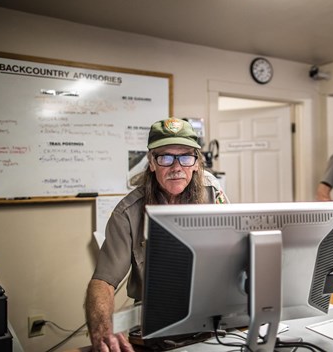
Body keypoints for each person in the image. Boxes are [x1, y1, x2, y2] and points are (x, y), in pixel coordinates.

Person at [85, 118, 229, 351]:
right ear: (152, 162)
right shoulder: (127, 213)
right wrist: (103, 331)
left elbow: (235, 254)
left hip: (213, 322)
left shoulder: (212, 194)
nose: (176, 167)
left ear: (195, 163)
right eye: (165, 157)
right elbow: (103, 281)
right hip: (154, 330)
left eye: (185, 157)